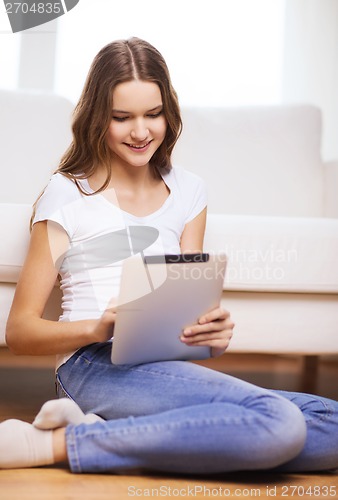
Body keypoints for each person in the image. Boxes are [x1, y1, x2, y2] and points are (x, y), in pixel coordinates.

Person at [1, 37, 337, 474]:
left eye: (152, 114)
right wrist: (98, 326)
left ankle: (100, 433)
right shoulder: (67, 193)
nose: (141, 132)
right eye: (122, 118)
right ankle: (56, 446)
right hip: (92, 364)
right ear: (96, 118)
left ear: (169, 113)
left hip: (162, 365)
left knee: (329, 422)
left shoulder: (189, 192)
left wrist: (209, 337)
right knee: (280, 425)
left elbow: (186, 315)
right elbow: (19, 331)